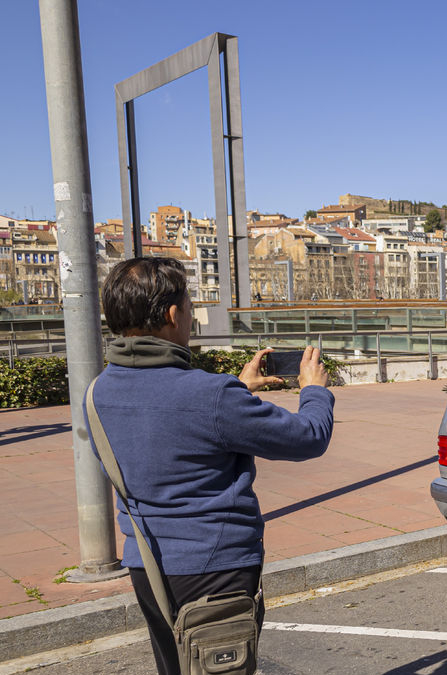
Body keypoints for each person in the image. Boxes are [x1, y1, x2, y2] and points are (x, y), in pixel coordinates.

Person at [84, 256, 335, 675]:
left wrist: (236, 389)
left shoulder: (97, 392)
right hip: (214, 568)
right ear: (171, 315)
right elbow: (308, 437)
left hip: (147, 564)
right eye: (188, 305)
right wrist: (314, 391)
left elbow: (164, 429)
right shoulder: (210, 395)